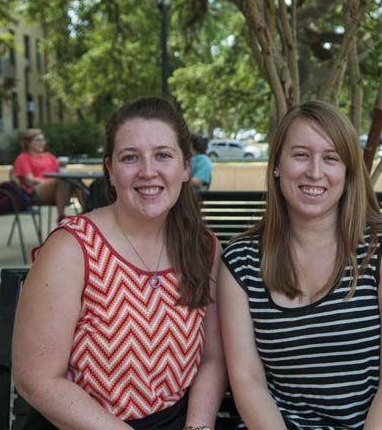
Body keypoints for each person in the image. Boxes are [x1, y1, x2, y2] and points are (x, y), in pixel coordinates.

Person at [12, 97, 226, 429]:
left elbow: (213, 357)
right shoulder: (71, 249)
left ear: (186, 167)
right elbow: (36, 379)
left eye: (163, 155)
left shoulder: (204, 247)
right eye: (130, 158)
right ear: (110, 171)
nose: (147, 171)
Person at [213, 101, 382, 429]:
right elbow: (247, 379)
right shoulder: (241, 263)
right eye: (300, 155)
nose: (315, 171)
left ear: (348, 171)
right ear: (277, 165)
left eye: (331, 158)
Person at [13, 128, 84, 222]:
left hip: (57, 189)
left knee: (75, 180)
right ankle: (61, 216)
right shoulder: (23, 158)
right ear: (28, 143)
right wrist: (51, 181)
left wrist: (62, 167)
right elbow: (29, 181)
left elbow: (62, 173)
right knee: (62, 180)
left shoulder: (49, 156)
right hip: (34, 192)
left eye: (43, 140)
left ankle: (86, 212)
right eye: (38, 140)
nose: (41, 143)